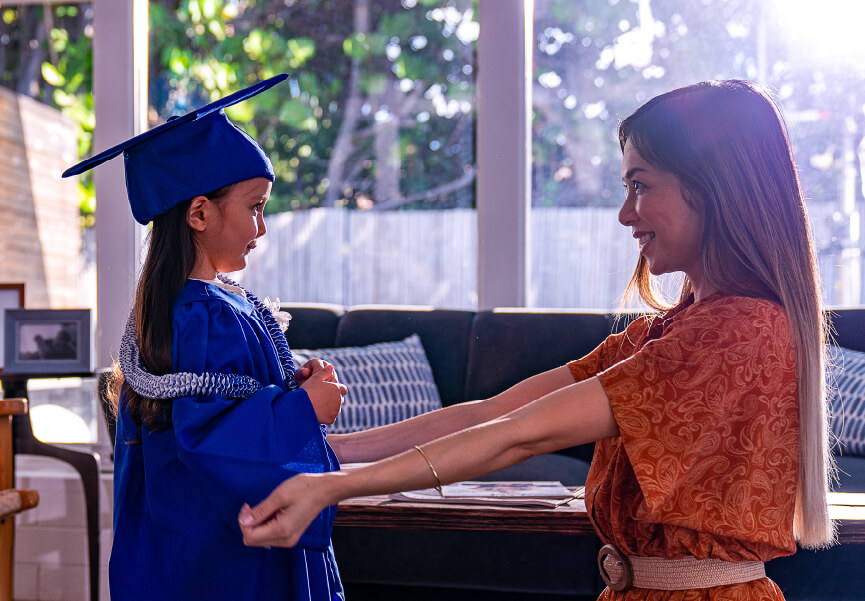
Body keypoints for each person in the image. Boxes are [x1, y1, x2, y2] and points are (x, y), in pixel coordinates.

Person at [238, 80, 836, 599]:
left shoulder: (736, 333)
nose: (626, 215)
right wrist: (332, 450)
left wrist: (335, 486)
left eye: (640, 185)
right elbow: (497, 411)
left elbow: (517, 437)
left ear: (715, 188)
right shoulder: (667, 331)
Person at [63, 75, 347, 601]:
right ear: (199, 213)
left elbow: (227, 401)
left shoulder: (206, 305)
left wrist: (291, 389)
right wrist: (305, 411)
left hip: (189, 546)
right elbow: (211, 442)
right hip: (217, 559)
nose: (261, 228)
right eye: (255, 207)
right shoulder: (201, 316)